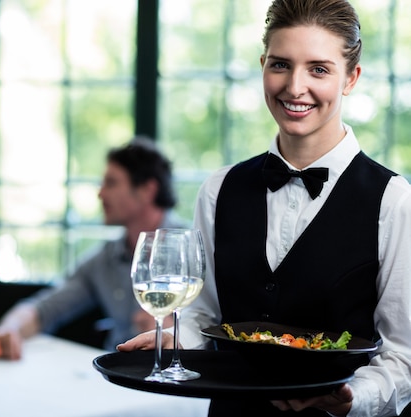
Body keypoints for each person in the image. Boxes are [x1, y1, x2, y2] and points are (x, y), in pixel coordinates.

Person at [117, 1, 411, 416]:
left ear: (351, 78)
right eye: (280, 65)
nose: (294, 86)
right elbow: (204, 315)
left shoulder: (394, 201)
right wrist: (176, 341)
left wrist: (349, 398)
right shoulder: (218, 189)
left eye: (319, 69)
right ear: (262, 66)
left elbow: (403, 358)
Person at [0, 137, 186, 360]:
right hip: (116, 379)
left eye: (111, 183)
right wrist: (10, 328)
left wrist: (177, 333)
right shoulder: (105, 260)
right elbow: (46, 308)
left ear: (147, 190)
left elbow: (218, 329)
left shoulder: (194, 256)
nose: (100, 193)